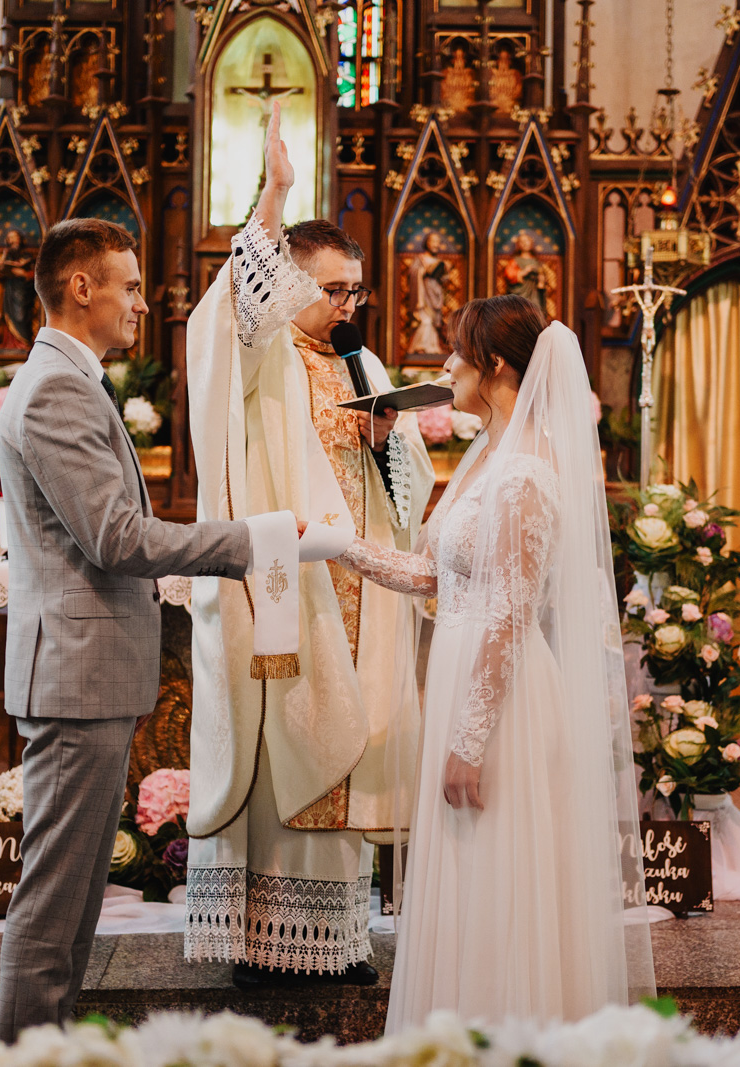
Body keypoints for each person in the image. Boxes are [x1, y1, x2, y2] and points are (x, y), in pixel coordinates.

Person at [0, 217, 296, 1040]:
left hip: (88, 673)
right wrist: (251, 537)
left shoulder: (69, 380)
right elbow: (117, 537)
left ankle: (44, 1049)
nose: (142, 303)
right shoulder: (55, 387)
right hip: (76, 677)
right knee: (55, 904)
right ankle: (23, 1054)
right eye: (128, 285)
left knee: (77, 897)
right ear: (80, 287)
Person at [336, 294, 656, 1029]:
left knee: (498, 881)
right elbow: (434, 575)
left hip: (502, 698)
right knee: (466, 878)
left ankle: (509, 1033)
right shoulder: (488, 459)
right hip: (467, 675)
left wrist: (470, 741)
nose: (444, 365)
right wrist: (337, 545)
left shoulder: (526, 475)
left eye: (457, 354)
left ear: (496, 367)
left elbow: (510, 616)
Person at [183, 105, 435, 987]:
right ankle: (264, 940)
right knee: (288, 742)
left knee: (354, 747)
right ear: (291, 284)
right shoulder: (263, 352)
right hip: (290, 589)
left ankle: (337, 937)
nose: (347, 305)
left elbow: (410, 485)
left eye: (356, 290)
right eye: (333, 290)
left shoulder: (360, 363)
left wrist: (389, 444)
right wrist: (274, 194)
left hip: (362, 591)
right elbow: (232, 311)